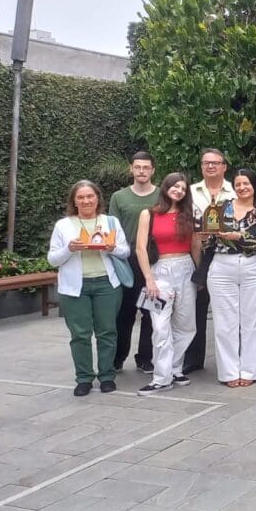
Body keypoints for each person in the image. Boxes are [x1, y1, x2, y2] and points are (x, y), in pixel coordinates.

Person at [48, 180, 130, 396]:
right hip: (75, 288)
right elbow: (53, 259)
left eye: (90, 196)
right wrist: (69, 248)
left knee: (107, 332)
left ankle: (107, 376)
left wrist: (112, 248)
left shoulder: (110, 221)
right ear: (74, 201)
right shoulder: (63, 225)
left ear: (97, 198)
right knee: (80, 334)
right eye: (81, 197)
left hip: (106, 284)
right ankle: (84, 378)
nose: (86, 201)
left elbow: (125, 251)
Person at [136, 173, 201, 396]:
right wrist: (149, 279)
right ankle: (161, 378)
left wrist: (199, 275)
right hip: (159, 271)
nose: (178, 190)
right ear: (166, 187)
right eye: (175, 186)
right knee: (160, 327)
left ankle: (174, 368)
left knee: (186, 325)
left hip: (185, 268)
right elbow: (140, 248)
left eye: (183, 188)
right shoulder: (149, 214)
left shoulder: (188, 215)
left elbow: (195, 246)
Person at [207, 169, 256, 388]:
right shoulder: (220, 209)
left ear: (254, 185)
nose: (242, 187)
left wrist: (240, 237)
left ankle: (250, 370)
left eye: (246, 183)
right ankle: (229, 372)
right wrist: (205, 235)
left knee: (252, 320)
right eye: (238, 184)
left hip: (253, 266)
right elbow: (209, 238)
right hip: (222, 264)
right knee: (224, 322)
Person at [184, 148, 236, 374]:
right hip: (196, 252)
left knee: (230, 309)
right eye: (207, 163)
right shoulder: (189, 192)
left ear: (224, 167)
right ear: (201, 166)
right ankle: (193, 359)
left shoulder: (236, 190)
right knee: (196, 305)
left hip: (226, 252)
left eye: (216, 163)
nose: (211, 166)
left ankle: (233, 358)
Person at [108, 151, 159, 374]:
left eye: (146, 167)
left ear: (152, 170)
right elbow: (112, 230)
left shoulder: (161, 196)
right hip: (127, 258)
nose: (141, 171)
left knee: (151, 310)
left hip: (154, 257)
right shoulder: (119, 197)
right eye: (137, 167)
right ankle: (118, 358)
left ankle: (145, 358)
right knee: (124, 312)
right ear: (131, 169)